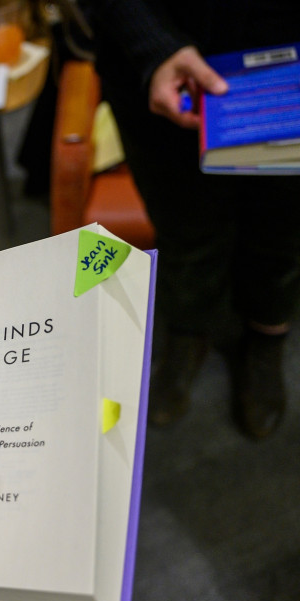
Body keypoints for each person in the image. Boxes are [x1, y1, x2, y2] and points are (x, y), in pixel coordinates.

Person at [83, 0, 300, 438]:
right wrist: (153, 45)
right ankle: (187, 330)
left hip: (288, 73)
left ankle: (266, 333)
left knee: (284, 231)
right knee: (183, 230)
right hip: (157, 68)